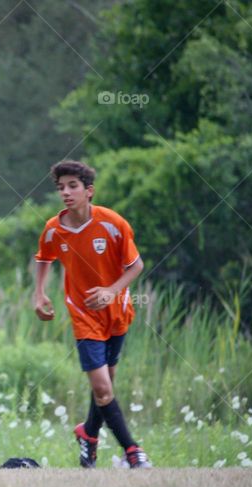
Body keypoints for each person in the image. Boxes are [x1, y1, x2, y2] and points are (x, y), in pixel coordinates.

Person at [32, 159, 151, 468]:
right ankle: (133, 451)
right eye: (61, 188)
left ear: (89, 191)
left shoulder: (113, 223)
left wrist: (111, 290)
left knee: (106, 386)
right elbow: (44, 257)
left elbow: (136, 265)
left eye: (73, 186)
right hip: (83, 315)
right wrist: (39, 292)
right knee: (101, 387)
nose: (66, 193)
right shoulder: (53, 229)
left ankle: (88, 434)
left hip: (118, 313)